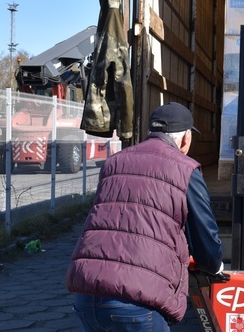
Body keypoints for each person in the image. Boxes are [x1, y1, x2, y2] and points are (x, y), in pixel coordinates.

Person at [66, 102, 225, 331]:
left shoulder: (114, 162)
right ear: (185, 138)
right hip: (135, 303)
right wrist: (214, 265)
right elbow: (204, 236)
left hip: (86, 296)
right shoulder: (186, 169)